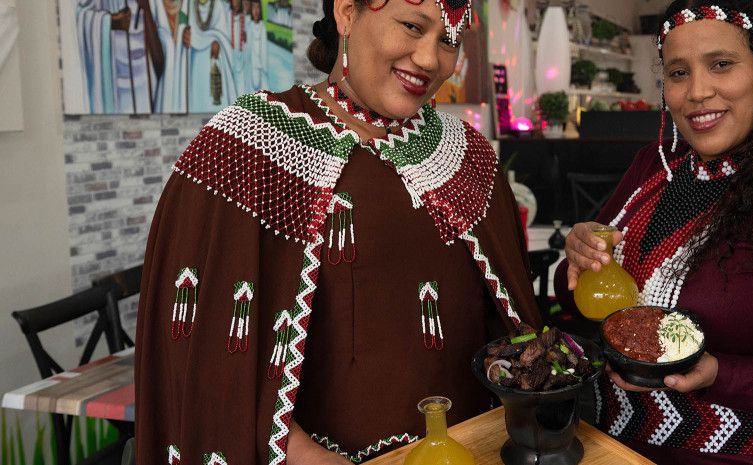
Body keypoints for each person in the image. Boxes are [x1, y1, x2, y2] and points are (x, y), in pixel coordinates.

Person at [134, 0, 542, 463]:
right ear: (347, 13)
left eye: (448, 40)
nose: (431, 60)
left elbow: (509, 329)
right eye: (412, 26)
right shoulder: (248, 145)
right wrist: (298, 452)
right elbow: (198, 347)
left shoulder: (468, 155)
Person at [554, 1, 753, 463]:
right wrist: (577, 256)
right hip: (615, 451)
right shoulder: (654, 168)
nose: (697, 91)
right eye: (678, 72)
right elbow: (576, 303)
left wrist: (717, 373)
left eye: (721, 64)